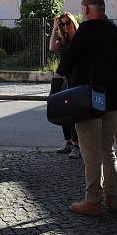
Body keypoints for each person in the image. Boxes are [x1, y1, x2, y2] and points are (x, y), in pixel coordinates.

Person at [56, 0, 117, 216]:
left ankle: (92, 200)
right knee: (108, 148)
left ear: (87, 10)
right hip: (114, 98)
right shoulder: (116, 32)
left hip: (89, 100)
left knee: (90, 152)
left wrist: (58, 81)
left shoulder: (86, 31)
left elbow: (66, 61)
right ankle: (112, 197)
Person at [49, 12, 81, 159]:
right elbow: (52, 48)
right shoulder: (64, 40)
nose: (66, 26)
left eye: (68, 22)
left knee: (73, 113)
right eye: (63, 24)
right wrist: (55, 28)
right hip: (60, 79)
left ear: (73, 22)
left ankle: (77, 146)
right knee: (62, 112)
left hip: (74, 79)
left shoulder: (80, 38)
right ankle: (68, 142)